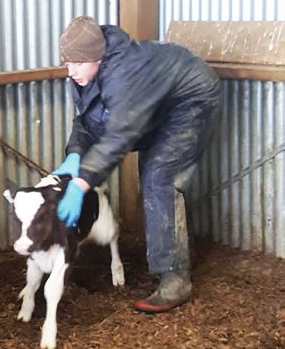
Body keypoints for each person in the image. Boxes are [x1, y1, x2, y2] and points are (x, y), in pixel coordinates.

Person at [52, 16, 221, 313]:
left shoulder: (124, 75)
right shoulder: (83, 74)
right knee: (154, 174)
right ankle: (176, 249)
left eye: (77, 63)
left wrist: (81, 182)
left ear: (97, 57)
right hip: (159, 105)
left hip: (191, 100)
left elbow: (119, 135)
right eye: (67, 63)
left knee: (160, 175)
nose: (71, 71)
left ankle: (175, 279)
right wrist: (75, 153)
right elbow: (88, 120)